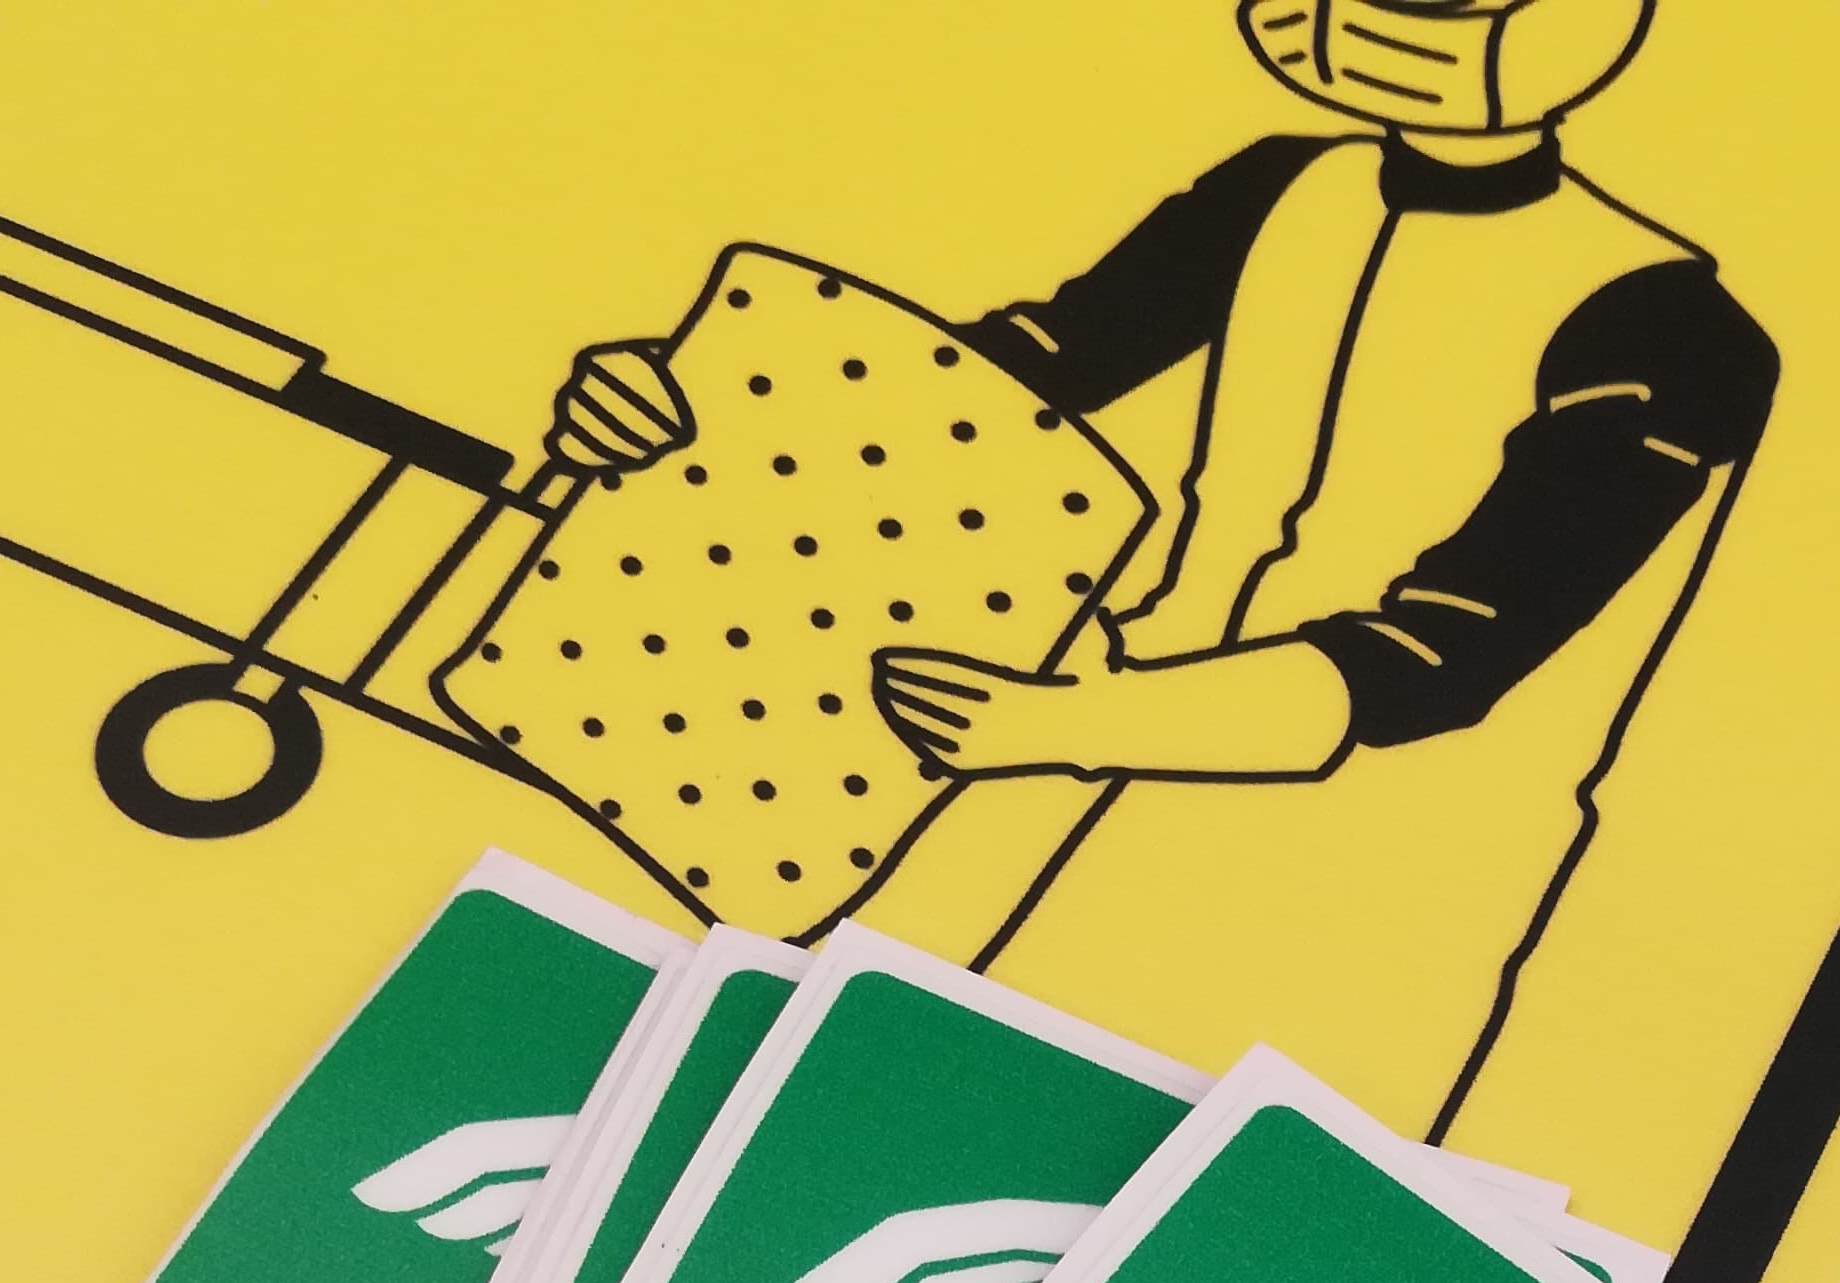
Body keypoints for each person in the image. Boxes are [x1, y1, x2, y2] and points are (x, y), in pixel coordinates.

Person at [548, 0, 1774, 1135]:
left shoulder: (1668, 332)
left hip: (1366, 879)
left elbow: (1446, 654)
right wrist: (695, 407)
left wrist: (1061, 724)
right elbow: (1014, 377)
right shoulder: (1286, 186)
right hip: (1068, 768)